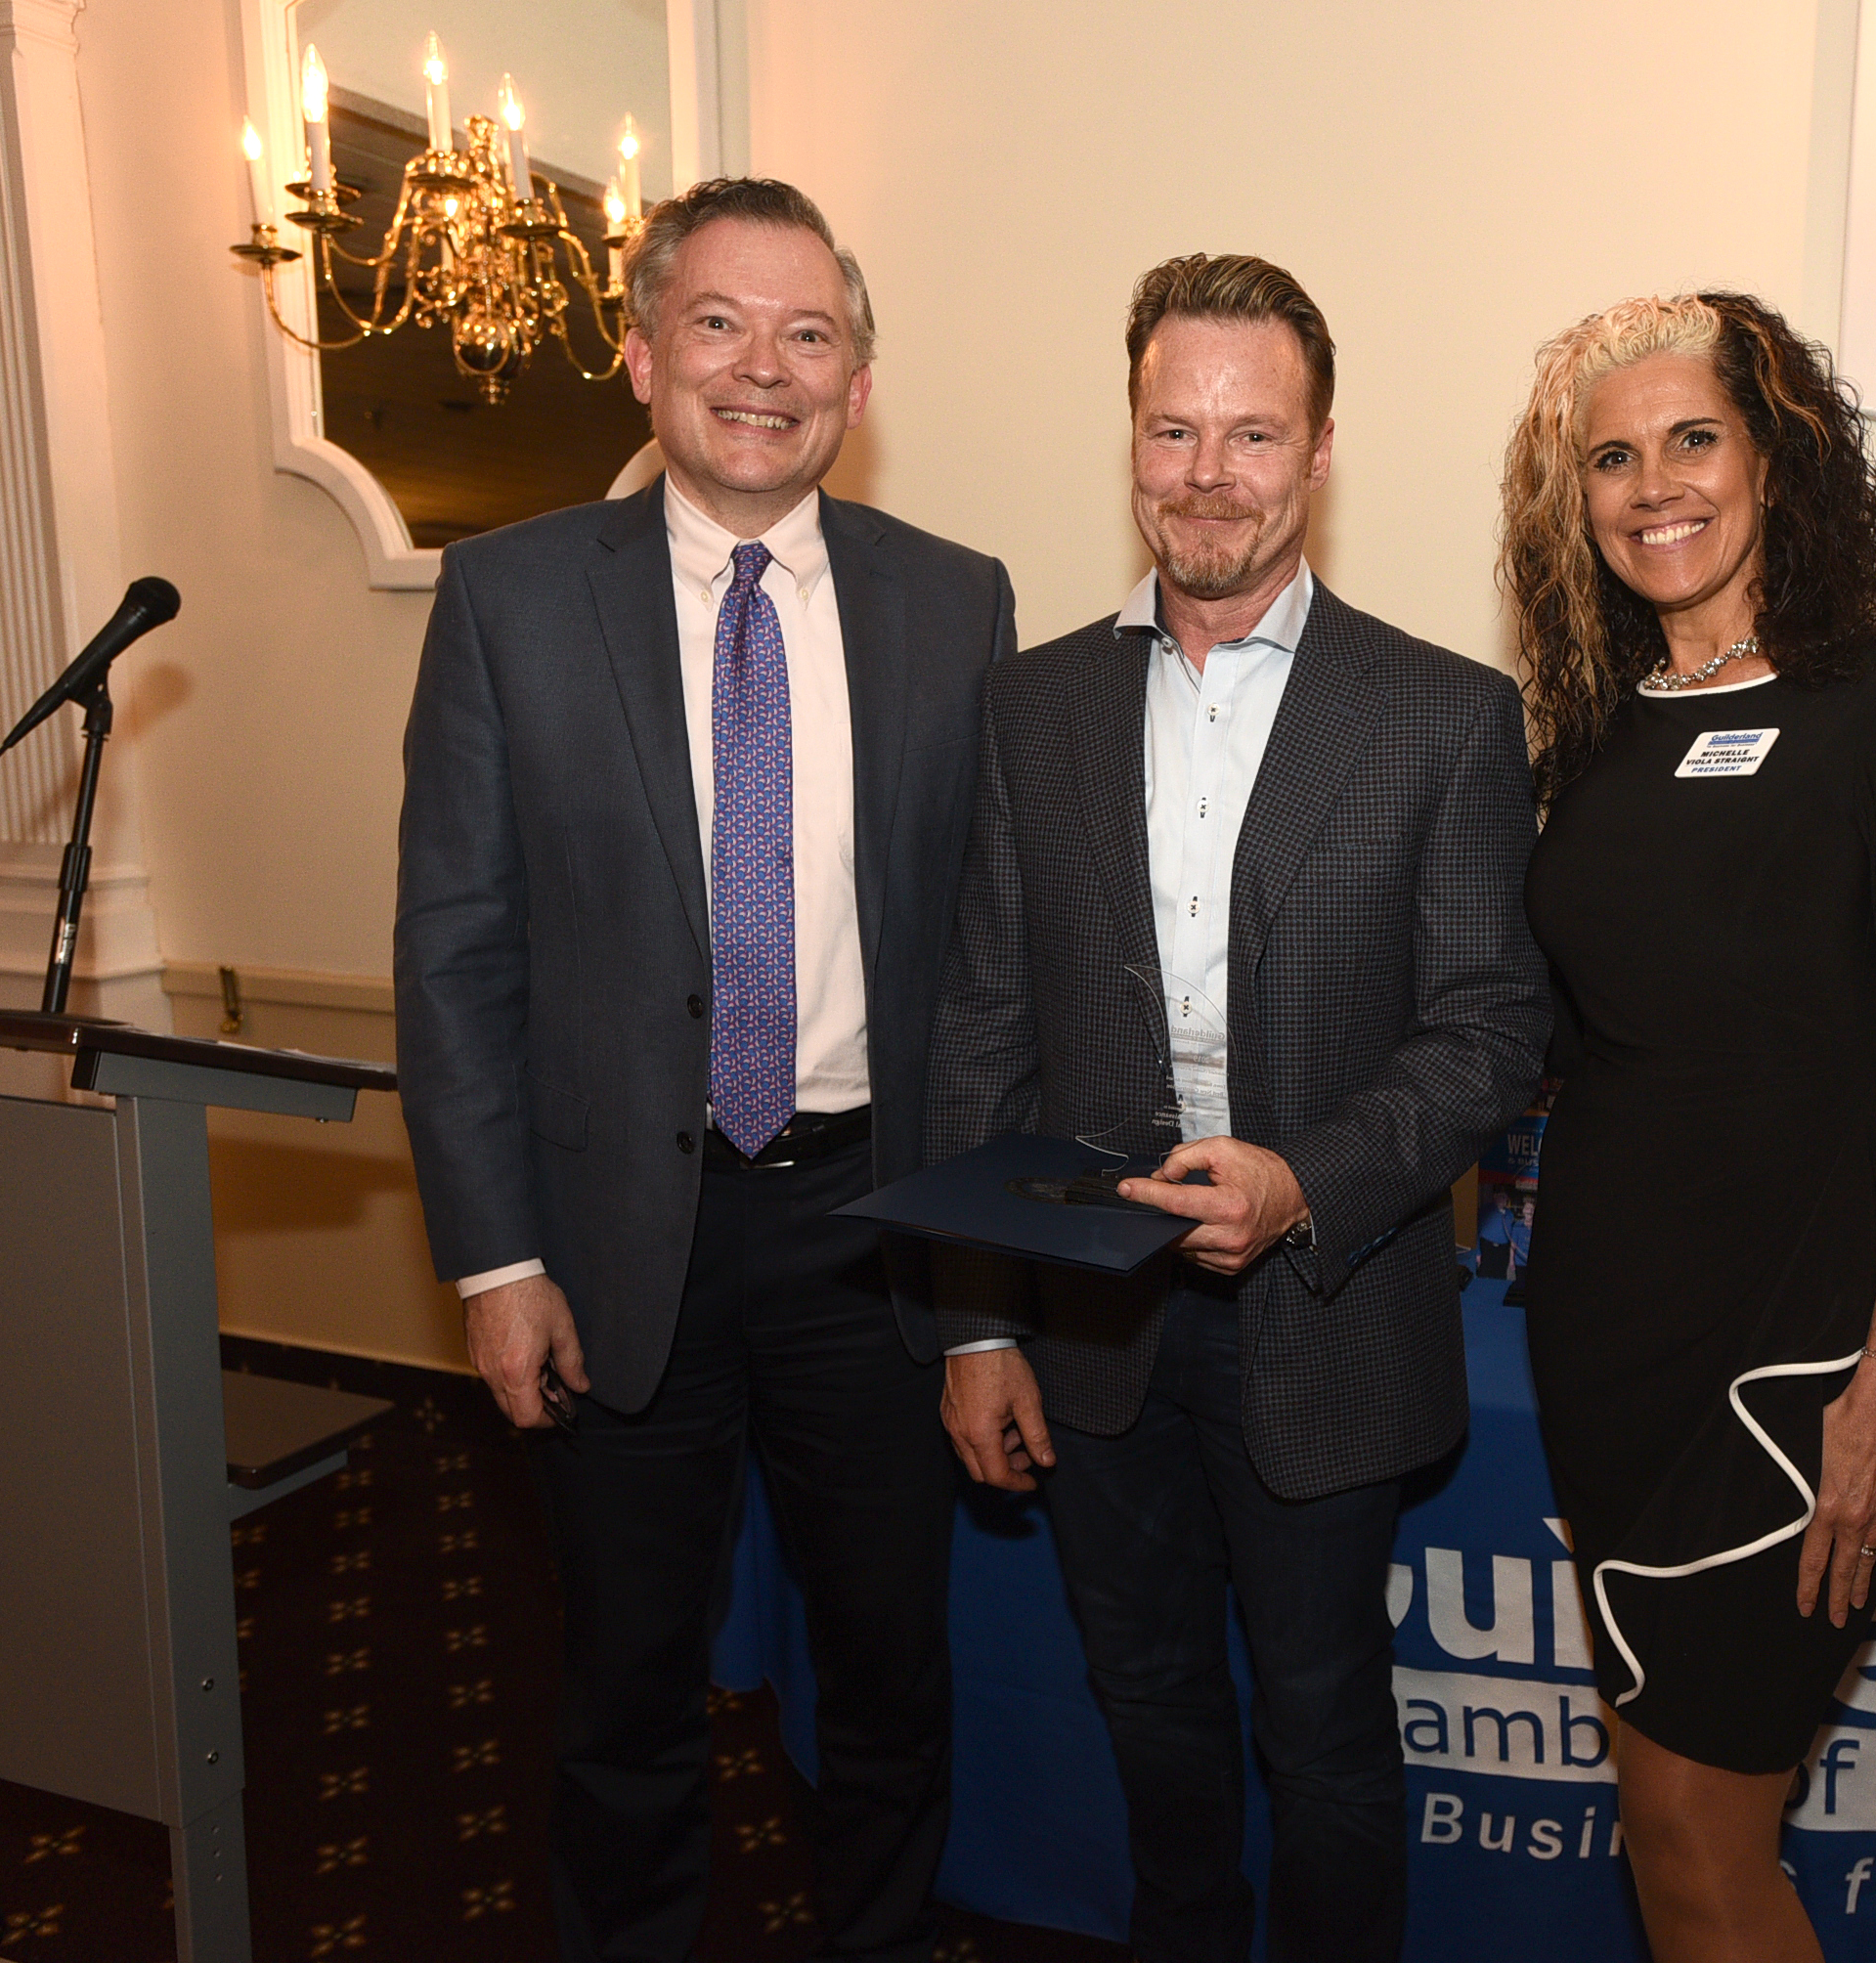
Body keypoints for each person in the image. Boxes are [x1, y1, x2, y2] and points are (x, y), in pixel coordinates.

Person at [394, 178, 1017, 1963]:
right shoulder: (509, 597)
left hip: (871, 1233)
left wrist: (984, 1294)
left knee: (891, 1669)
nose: (764, 369)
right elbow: (455, 947)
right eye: (722, 324)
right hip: (610, 1242)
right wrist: (496, 1263)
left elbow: (987, 967)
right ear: (642, 353)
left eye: (808, 335)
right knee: (626, 1681)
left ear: (857, 381)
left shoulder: (953, 601)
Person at [927, 253, 1549, 1963]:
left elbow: (1492, 1031)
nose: (1208, 474)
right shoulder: (1031, 706)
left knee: (1325, 1736)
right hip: (1091, 1321)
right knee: (1147, 1704)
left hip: (1329, 1312)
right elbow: (980, 1027)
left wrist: (1305, 1178)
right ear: (1131, 439)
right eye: (1173, 430)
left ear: (1319, 452)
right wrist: (975, 1323)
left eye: (1253, 434)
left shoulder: (1443, 714)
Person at [1497, 292, 1876, 1963]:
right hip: (1609, 1344)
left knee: (1703, 1834)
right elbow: (1560, 1041)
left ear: (1774, 461)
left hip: (1799, 1359)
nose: (1653, 484)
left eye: (1692, 438)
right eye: (1611, 457)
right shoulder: (1591, 737)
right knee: (1667, 1824)